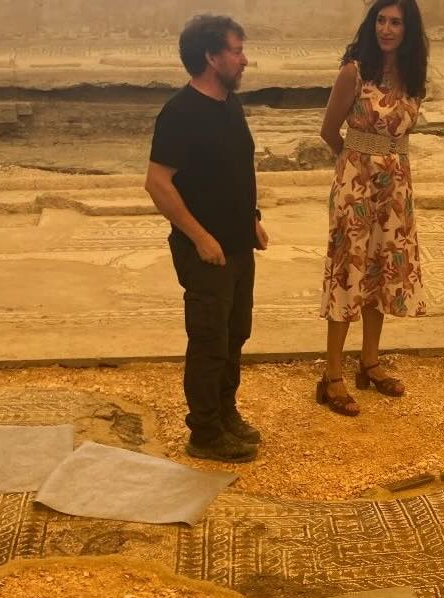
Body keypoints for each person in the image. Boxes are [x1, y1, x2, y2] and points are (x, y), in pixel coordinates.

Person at [144, 15, 269, 463]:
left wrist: (252, 219)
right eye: (236, 51)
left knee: (235, 334)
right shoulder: (180, 114)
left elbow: (234, 170)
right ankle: (205, 433)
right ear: (211, 57)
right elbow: (157, 182)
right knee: (209, 340)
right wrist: (199, 237)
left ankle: (225, 412)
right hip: (206, 252)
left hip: (237, 245)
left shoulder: (229, 104)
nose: (244, 59)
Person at [315, 0, 429, 416]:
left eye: (395, 22)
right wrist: (356, 162)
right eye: (380, 20)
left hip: (396, 188)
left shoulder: (413, 76)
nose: (386, 29)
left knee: (381, 270)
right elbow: (329, 130)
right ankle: (332, 375)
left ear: (408, 29)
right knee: (348, 270)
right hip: (356, 186)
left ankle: (370, 361)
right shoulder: (355, 72)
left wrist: (387, 169)